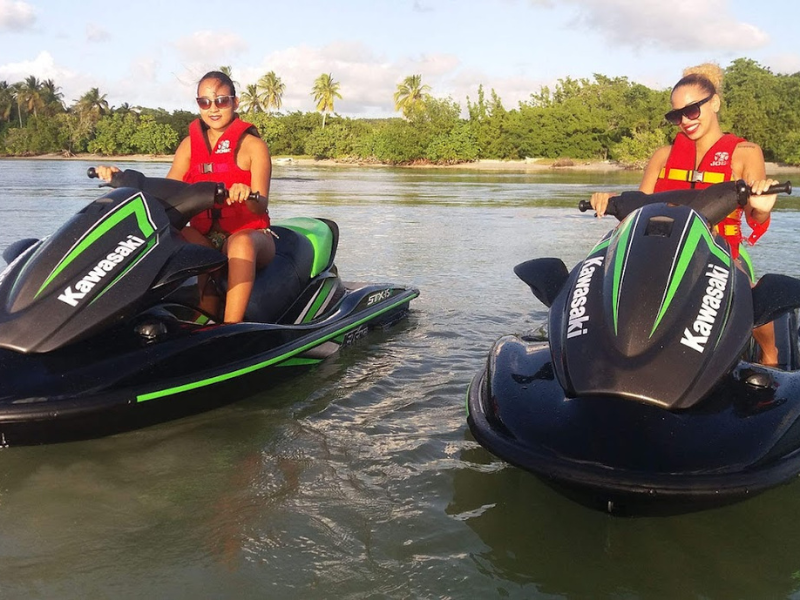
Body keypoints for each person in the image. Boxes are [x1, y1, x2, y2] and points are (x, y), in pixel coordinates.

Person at [590, 63, 780, 364]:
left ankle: (771, 354)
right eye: (676, 115)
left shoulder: (745, 152)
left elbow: (755, 217)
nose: (685, 121)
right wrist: (611, 200)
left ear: (714, 103)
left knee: (746, 288)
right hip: (667, 249)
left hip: (722, 248)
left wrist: (761, 208)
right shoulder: (662, 156)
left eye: (692, 110)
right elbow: (640, 211)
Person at [97, 70, 275, 324]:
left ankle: (230, 329)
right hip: (207, 238)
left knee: (240, 244)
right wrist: (120, 179)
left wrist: (247, 195)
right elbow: (168, 193)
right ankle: (191, 320)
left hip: (253, 237)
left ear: (235, 103)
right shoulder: (189, 146)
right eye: (204, 102)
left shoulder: (253, 147)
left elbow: (261, 206)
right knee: (177, 235)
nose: (213, 108)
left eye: (221, 101)